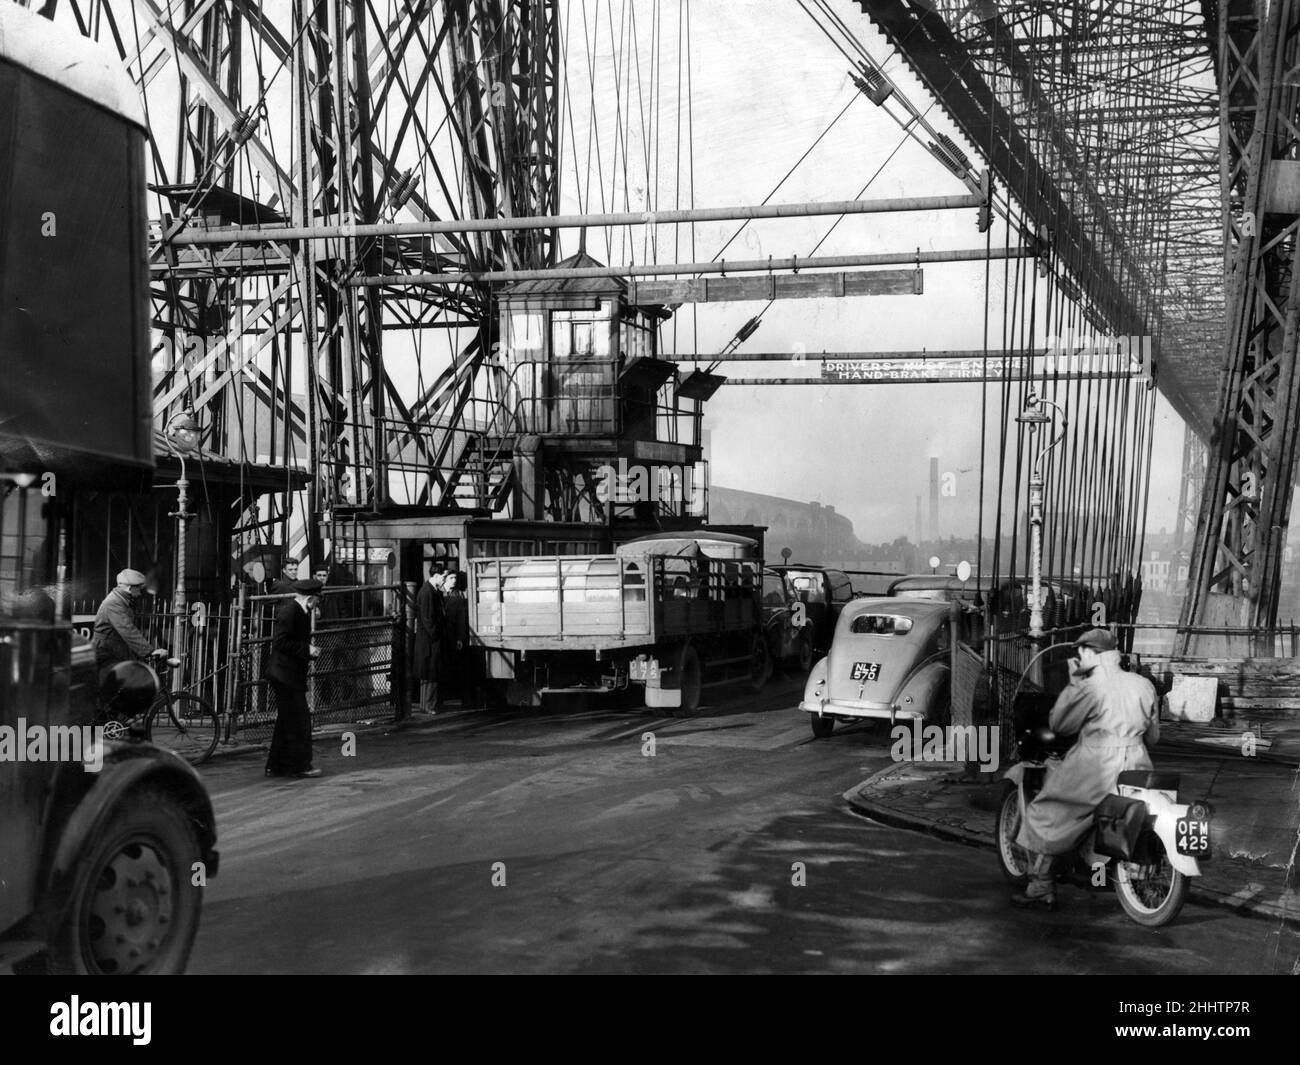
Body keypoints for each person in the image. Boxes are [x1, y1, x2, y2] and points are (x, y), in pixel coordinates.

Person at [1011, 627, 1160, 910]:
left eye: (1081, 652)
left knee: (1047, 811)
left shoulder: (1090, 687)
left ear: (1093, 654)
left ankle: (1041, 884)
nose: (1078, 656)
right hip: (1138, 761)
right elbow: (1154, 737)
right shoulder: (1143, 684)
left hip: (1097, 764)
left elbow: (1060, 725)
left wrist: (1074, 682)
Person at [265, 578, 324, 779]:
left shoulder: (299, 611)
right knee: (300, 721)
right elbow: (281, 642)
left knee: (286, 721)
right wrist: (307, 649)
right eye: (317, 599)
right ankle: (300, 766)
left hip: (287, 674)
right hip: (285, 675)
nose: (318, 603)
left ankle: (276, 765)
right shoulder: (291, 612)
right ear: (309, 598)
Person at [92, 569, 167, 679]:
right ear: (130, 588)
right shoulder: (114, 603)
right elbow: (128, 630)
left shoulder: (122, 601)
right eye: (138, 589)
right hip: (107, 653)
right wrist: (150, 651)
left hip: (116, 651)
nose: (140, 593)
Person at [413, 566, 446, 713]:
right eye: (443, 577)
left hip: (427, 640)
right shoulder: (428, 592)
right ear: (437, 576)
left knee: (427, 674)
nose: (444, 580)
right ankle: (429, 705)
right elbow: (428, 619)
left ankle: (425, 705)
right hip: (430, 641)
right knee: (432, 672)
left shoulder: (428, 590)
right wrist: (436, 635)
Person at [441, 571, 469, 704]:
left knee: (453, 663)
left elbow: (461, 618)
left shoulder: (458, 594)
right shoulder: (438, 592)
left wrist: (460, 638)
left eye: (455, 578)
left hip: (452, 634)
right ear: (445, 579)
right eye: (451, 578)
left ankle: (451, 694)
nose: (454, 580)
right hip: (440, 634)